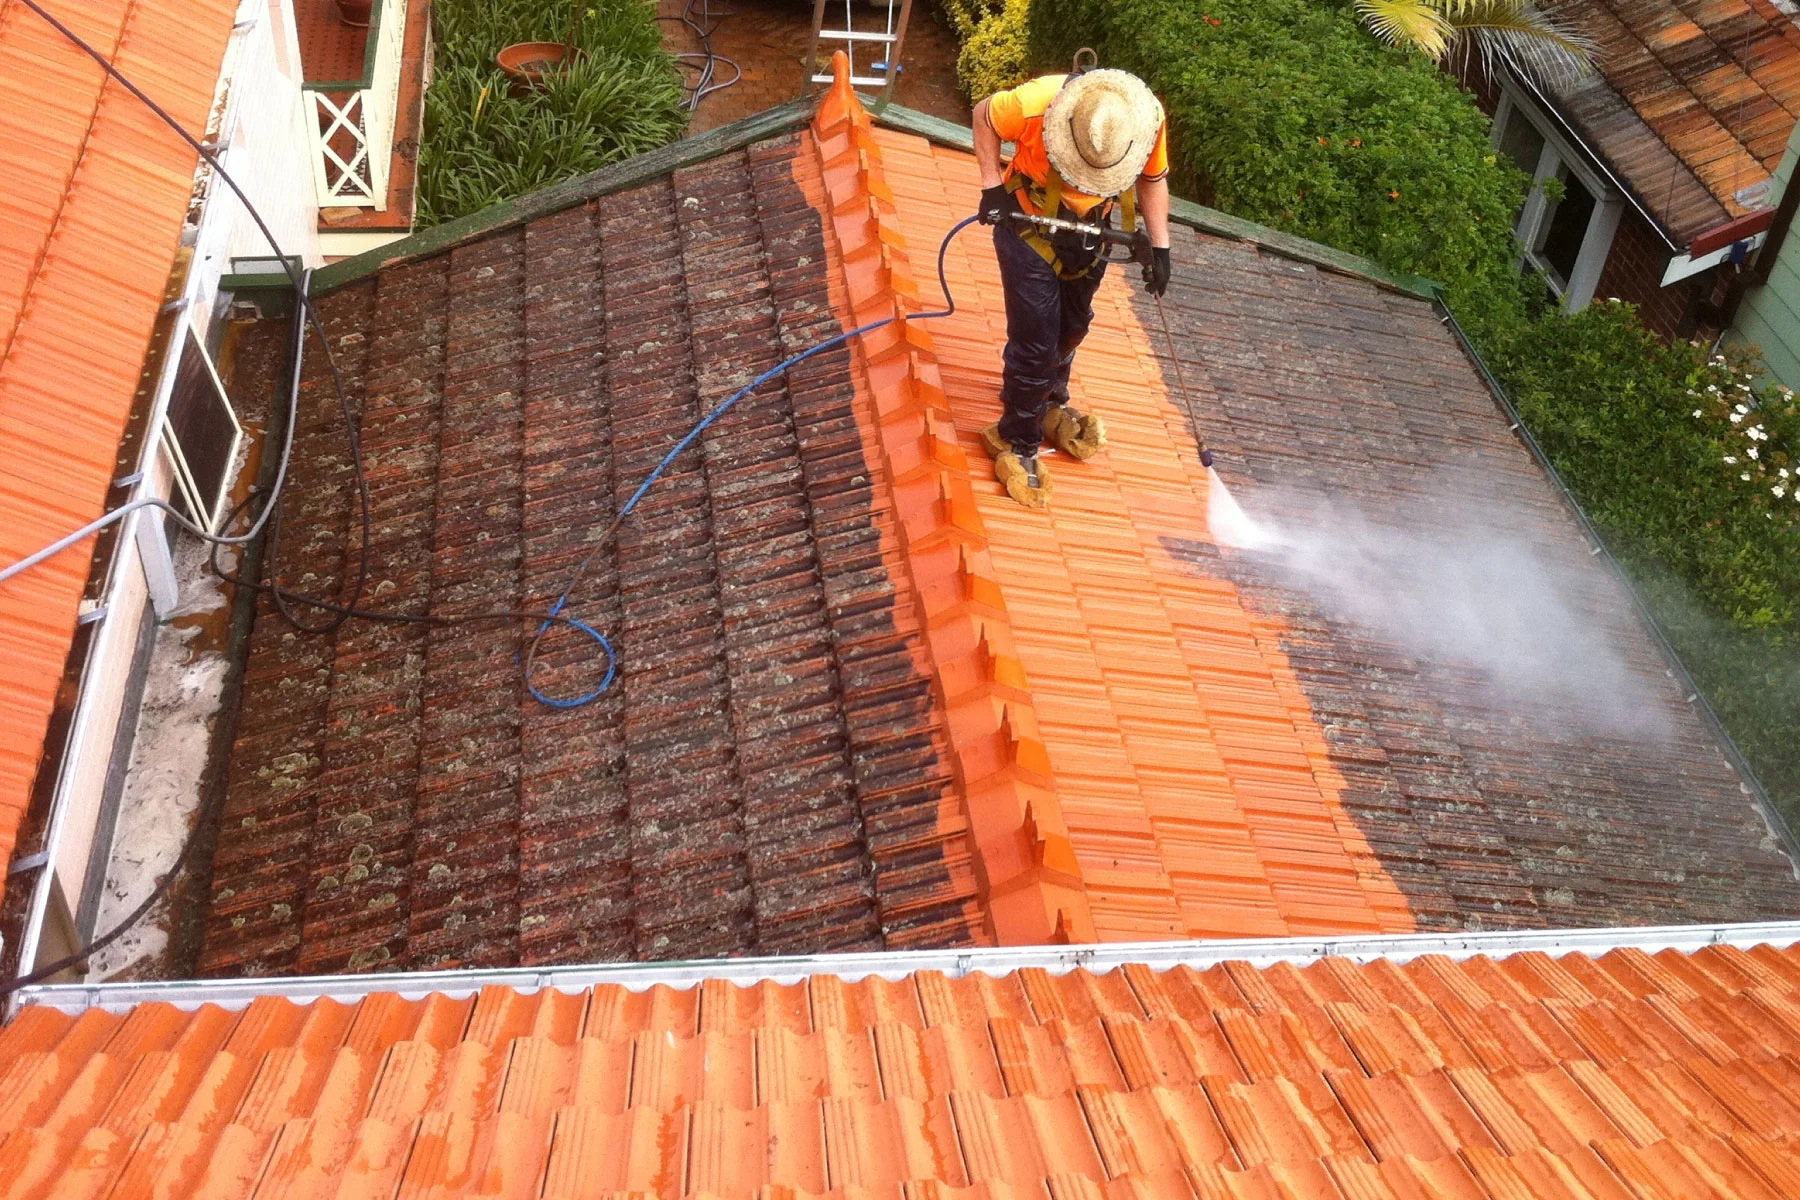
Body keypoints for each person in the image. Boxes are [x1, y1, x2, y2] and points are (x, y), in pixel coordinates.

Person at [972, 63, 1173, 509]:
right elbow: (983, 114)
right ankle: (1017, 439)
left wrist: (1160, 248)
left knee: (1073, 326)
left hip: (1092, 230)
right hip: (1028, 224)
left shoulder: (1145, 118)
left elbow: (1153, 179)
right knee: (1036, 340)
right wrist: (991, 188)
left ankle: (1049, 401)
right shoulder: (1034, 102)